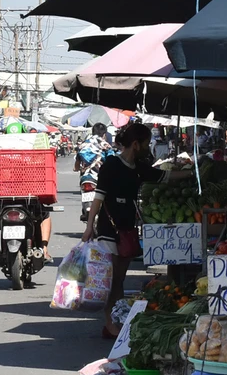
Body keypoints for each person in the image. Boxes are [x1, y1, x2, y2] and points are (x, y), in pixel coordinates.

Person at [83, 123, 194, 338]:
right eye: (145, 143)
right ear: (135, 144)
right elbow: (99, 196)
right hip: (109, 228)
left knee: (119, 279)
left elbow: (164, 177)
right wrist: (89, 226)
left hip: (127, 230)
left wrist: (191, 173)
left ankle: (116, 321)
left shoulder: (140, 168)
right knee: (111, 279)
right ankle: (110, 324)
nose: (147, 147)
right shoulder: (112, 164)